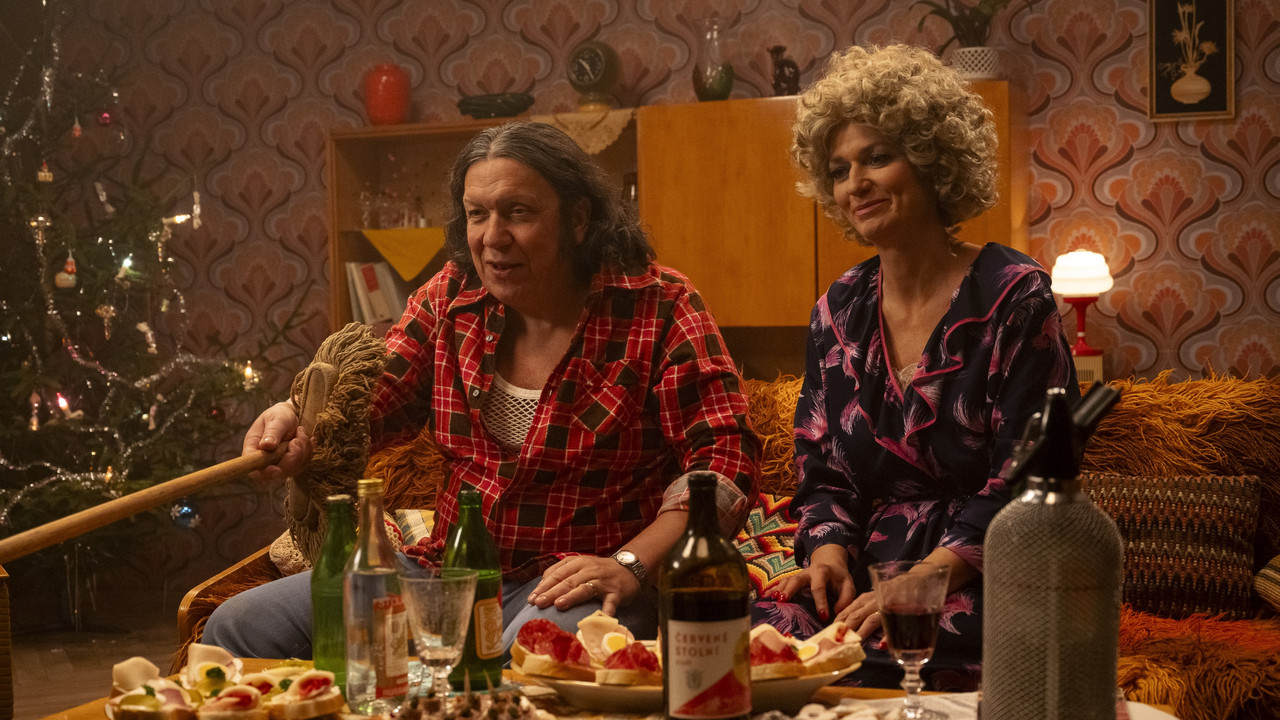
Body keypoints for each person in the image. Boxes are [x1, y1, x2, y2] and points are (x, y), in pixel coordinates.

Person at [204, 121, 761, 659]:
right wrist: (295, 421)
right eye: (477, 214)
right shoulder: (449, 297)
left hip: (579, 581)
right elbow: (369, 404)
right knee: (238, 625)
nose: (493, 238)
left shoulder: (661, 305)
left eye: (518, 212)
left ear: (578, 218)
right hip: (448, 570)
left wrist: (631, 565)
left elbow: (724, 461)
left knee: (529, 657)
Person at [751, 44, 1078, 691]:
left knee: (904, 644)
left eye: (877, 157)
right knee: (758, 635)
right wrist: (828, 556)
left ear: (932, 159)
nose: (855, 183)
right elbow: (822, 472)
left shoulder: (1014, 294)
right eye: (839, 169)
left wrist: (927, 579)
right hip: (870, 569)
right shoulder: (836, 310)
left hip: (987, 568)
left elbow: (1029, 476)